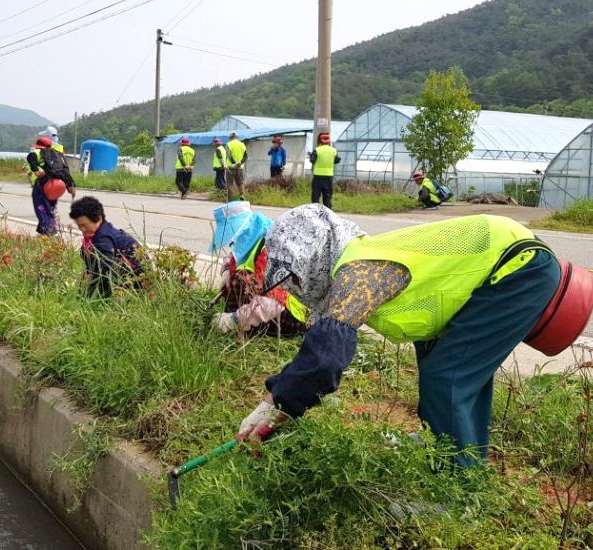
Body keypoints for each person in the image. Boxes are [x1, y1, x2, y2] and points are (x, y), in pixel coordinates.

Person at [237, 203, 593, 468]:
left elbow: (326, 359)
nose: (297, 288)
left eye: (296, 277)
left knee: (448, 378)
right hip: (497, 273)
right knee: (454, 371)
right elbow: (316, 351)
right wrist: (279, 391)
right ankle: (452, 451)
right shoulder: (355, 267)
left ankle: (458, 491)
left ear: (315, 256)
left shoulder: (359, 271)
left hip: (516, 268)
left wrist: (277, 403)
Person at [210, 206, 307, 336]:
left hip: (295, 316)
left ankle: (241, 326)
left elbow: (273, 305)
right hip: (274, 305)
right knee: (237, 280)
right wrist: (227, 270)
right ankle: (241, 324)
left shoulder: (273, 251)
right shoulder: (255, 239)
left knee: (239, 280)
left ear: (246, 231)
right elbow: (232, 256)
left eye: (234, 237)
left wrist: (234, 319)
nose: (233, 243)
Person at [69, 196, 144, 298]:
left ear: (98, 219)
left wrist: (84, 294)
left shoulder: (103, 238)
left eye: (84, 225)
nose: (82, 229)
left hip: (135, 283)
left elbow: (106, 272)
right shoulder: (97, 234)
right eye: (79, 226)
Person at [27, 136, 76, 236]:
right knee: (50, 207)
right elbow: (64, 171)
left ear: (38, 146)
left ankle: (49, 231)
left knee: (41, 207)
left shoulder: (38, 152)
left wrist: (35, 169)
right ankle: (44, 230)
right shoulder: (58, 155)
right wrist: (70, 185)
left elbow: (30, 157)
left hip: (43, 184)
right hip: (57, 186)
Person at [309, 132, 340, 208]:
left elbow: (312, 160)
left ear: (320, 141)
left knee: (315, 197)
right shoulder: (333, 151)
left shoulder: (317, 150)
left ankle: (315, 213)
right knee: (327, 196)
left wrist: (311, 156)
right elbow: (336, 161)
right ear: (329, 141)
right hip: (329, 176)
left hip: (318, 176)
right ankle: (328, 214)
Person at [225, 132, 248, 201]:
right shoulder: (242, 144)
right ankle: (242, 196)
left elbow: (229, 156)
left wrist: (234, 163)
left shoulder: (228, 144)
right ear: (237, 137)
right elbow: (246, 156)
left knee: (230, 184)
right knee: (240, 183)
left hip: (231, 168)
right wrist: (240, 163)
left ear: (230, 137)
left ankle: (230, 200)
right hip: (240, 168)